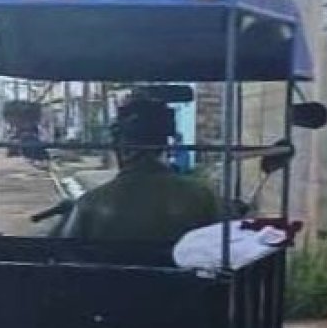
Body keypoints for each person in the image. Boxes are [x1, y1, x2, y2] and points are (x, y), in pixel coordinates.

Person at [55, 96, 219, 244]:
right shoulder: (202, 197)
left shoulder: (91, 203)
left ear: (122, 147)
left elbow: (61, 255)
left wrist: (66, 217)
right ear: (164, 143)